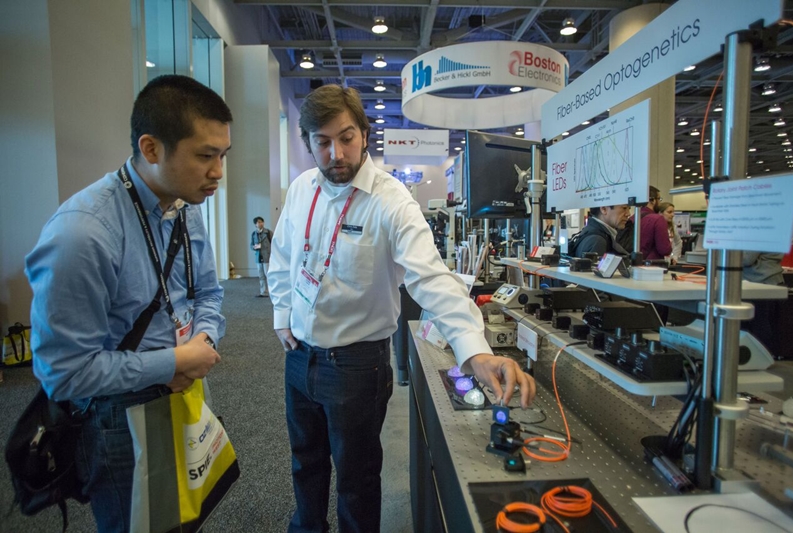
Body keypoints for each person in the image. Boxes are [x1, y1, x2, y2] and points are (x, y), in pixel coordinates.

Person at [268, 84, 536, 533]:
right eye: (322, 141)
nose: (336, 152)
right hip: (299, 357)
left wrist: (474, 350)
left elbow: (430, 278)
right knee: (305, 466)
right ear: (308, 141)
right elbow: (281, 258)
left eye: (346, 137)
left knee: (355, 482)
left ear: (365, 134)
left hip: (355, 367)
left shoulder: (392, 202)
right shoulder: (301, 189)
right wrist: (281, 314)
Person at [25, 75, 230, 533]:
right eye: (205, 155)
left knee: (183, 517)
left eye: (222, 155)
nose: (218, 171)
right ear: (152, 149)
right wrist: (173, 361)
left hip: (185, 387)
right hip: (118, 415)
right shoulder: (82, 234)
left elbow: (209, 294)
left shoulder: (185, 206)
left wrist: (202, 340)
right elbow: (65, 373)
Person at [616, 185, 661, 254]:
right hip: (653, 261)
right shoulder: (658, 219)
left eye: (629, 209)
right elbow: (664, 248)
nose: (628, 214)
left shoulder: (633, 218)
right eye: (659, 199)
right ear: (652, 200)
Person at [251, 216, 272, 297]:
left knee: (268, 274)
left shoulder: (268, 233)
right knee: (261, 275)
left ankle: (271, 291)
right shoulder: (254, 234)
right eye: (258, 222)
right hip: (258, 256)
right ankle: (263, 291)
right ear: (255, 224)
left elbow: (273, 243)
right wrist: (254, 247)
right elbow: (251, 245)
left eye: (261, 222)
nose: (260, 223)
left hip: (267, 256)